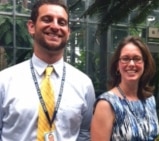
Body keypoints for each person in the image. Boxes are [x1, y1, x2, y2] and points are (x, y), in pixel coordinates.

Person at [0, 0, 96, 140]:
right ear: (31, 26)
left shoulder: (84, 84)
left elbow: (84, 133)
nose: (55, 26)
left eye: (62, 22)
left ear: (68, 32)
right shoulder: (4, 81)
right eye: (47, 19)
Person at [91, 36, 159, 141]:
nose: (131, 64)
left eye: (137, 59)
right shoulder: (106, 105)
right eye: (125, 59)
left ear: (145, 64)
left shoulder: (150, 100)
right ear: (117, 66)